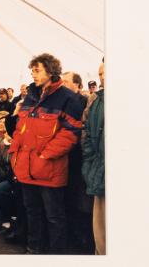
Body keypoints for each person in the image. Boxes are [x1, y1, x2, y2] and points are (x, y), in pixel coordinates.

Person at [9, 53, 83, 254]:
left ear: (50, 71)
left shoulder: (68, 98)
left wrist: (45, 156)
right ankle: (34, 249)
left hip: (50, 169)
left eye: (37, 70)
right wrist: (14, 152)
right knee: (32, 212)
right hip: (26, 167)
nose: (33, 74)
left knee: (54, 216)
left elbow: (71, 133)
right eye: (32, 70)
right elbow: (19, 129)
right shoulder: (30, 96)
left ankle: (56, 254)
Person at [62, 71, 93, 251]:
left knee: (80, 203)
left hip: (78, 159)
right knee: (66, 201)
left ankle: (81, 242)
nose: (63, 85)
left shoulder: (84, 102)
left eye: (67, 82)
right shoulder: (61, 103)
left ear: (78, 86)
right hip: (64, 159)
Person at [82, 60, 105, 255]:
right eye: (100, 74)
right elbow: (87, 133)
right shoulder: (97, 100)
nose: (102, 77)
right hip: (99, 172)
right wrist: (89, 166)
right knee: (101, 233)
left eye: (105, 73)